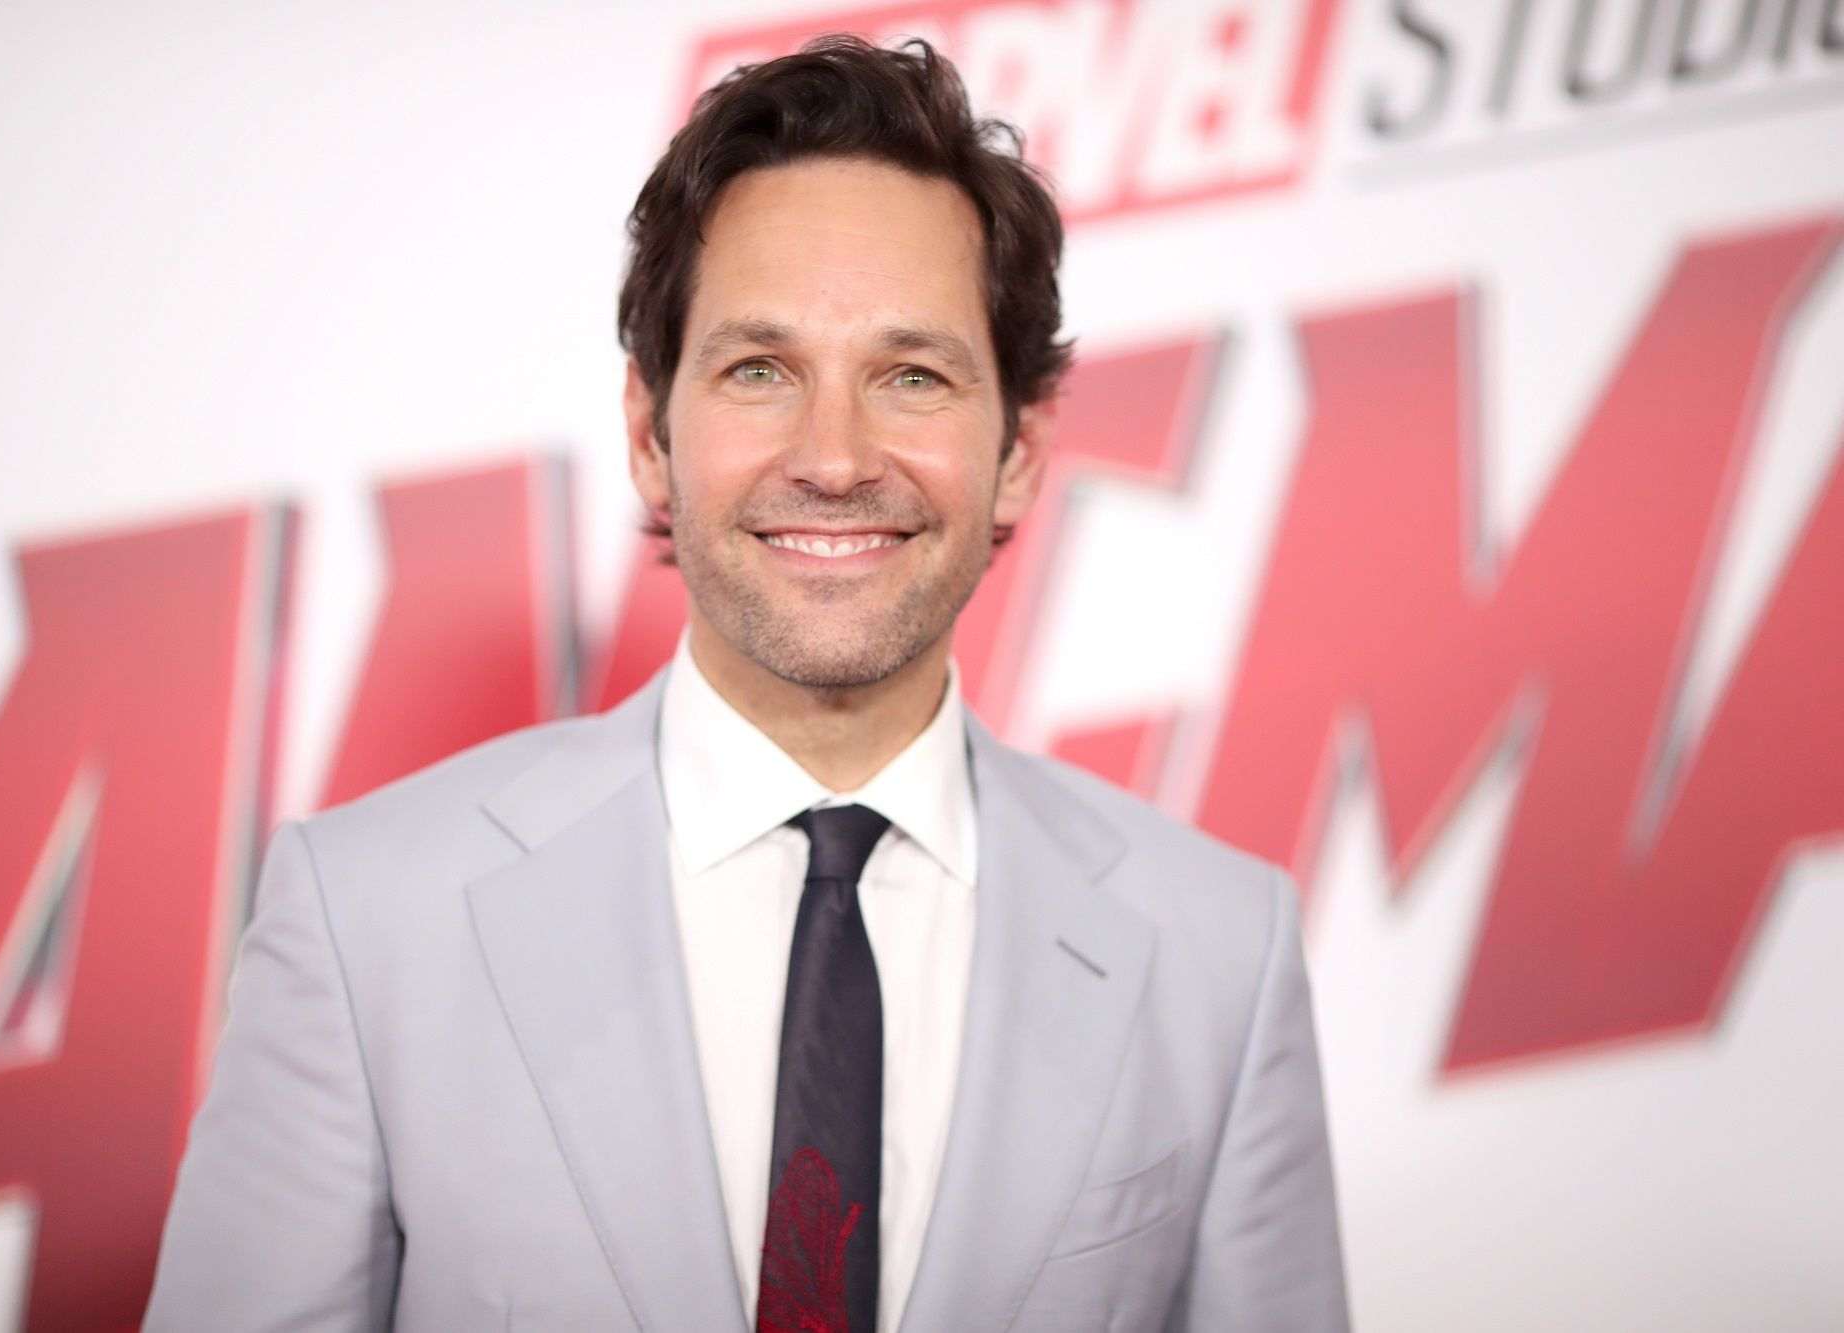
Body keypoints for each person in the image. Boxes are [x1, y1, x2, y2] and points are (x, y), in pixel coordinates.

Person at [146, 35, 1348, 1333]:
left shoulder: (1219, 951)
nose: (833, 459)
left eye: (912, 375)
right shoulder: (365, 920)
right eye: (760, 370)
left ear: (1018, 451)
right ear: (649, 434)